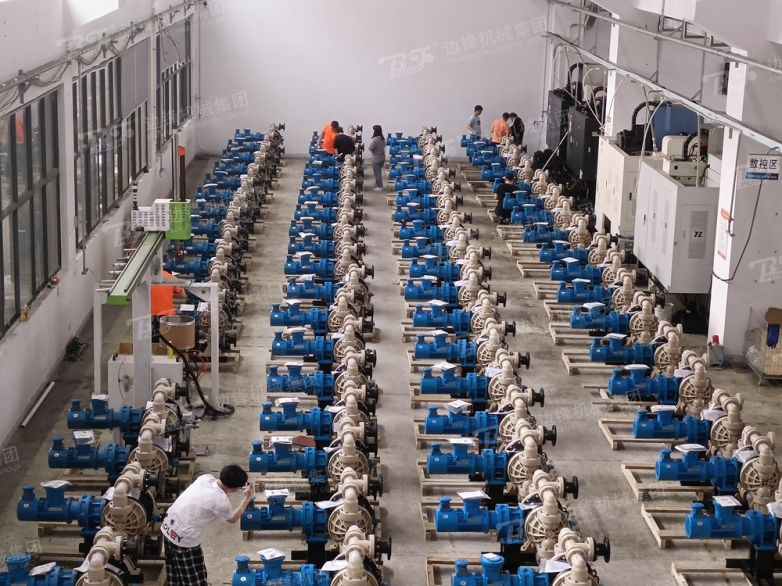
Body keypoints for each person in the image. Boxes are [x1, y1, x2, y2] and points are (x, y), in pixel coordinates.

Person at [162, 465, 254, 586]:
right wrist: (246, 499)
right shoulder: (221, 500)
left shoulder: (205, 478)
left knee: (175, 574)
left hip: (167, 527)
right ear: (234, 489)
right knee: (194, 579)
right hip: (184, 539)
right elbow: (233, 519)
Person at [151, 270, 187, 342]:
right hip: (168, 313)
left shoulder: (151, 278)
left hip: (151, 313)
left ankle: (155, 348)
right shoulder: (172, 278)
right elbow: (183, 295)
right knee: (168, 338)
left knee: (154, 337)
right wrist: (171, 295)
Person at [368, 125, 386, 191]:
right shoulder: (382, 138)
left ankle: (380, 186)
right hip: (382, 157)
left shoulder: (374, 140)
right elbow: (384, 146)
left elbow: (371, 148)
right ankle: (377, 183)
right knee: (379, 171)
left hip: (376, 158)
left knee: (377, 173)